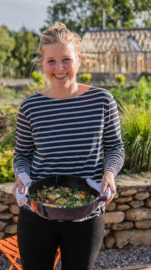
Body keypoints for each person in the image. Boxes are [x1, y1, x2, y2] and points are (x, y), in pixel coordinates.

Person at [12, 22, 125, 270]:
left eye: (66, 59)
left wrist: (109, 173)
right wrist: (21, 176)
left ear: (79, 60)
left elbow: (115, 147)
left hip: (87, 212)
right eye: (51, 61)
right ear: (42, 63)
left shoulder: (102, 100)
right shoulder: (30, 107)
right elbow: (21, 154)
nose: (59, 68)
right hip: (37, 211)